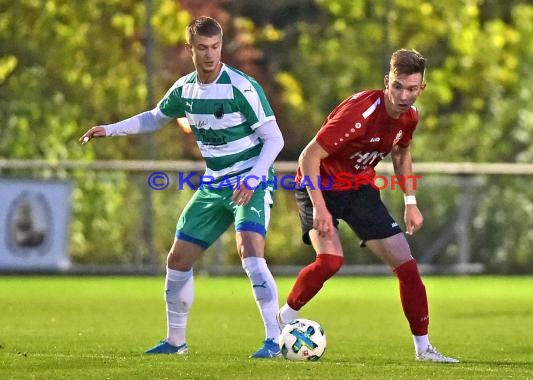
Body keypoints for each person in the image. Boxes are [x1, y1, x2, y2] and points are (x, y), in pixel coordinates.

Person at [80, 16, 284, 358]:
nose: (210, 55)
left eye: (215, 47)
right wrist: (109, 129)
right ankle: (176, 342)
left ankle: (274, 340)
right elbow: (155, 117)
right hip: (213, 182)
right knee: (177, 260)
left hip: (251, 178)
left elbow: (274, 138)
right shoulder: (185, 88)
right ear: (190, 48)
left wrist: (252, 179)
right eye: (202, 48)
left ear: (221, 45)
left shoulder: (241, 86)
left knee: (250, 251)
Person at [277, 49, 459, 363]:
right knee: (331, 262)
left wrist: (410, 202)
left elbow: (401, 154)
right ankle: (281, 319)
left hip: (359, 189)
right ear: (387, 81)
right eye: (398, 86)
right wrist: (320, 209)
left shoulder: (409, 117)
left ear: (421, 89)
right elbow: (308, 157)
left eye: (412, 89)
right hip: (320, 186)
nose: (404, 95)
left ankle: (424, 350)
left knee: (408, 268)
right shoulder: (358, 113)